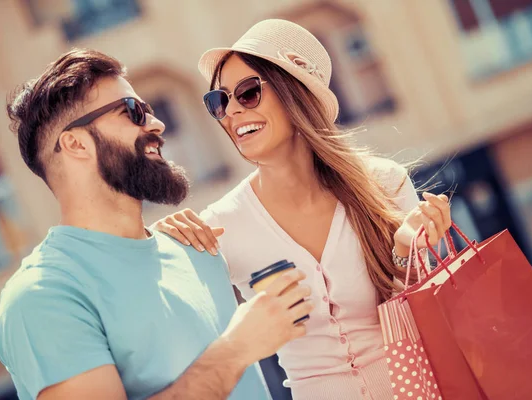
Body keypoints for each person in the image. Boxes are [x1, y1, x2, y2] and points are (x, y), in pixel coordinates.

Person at [154, 19, 452, 400]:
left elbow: (425, 315)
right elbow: (180, 332)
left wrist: (405, 252)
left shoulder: (384, 184)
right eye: (219, 101)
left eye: (246, 93)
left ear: (292, 93)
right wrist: (163, 241)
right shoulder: (220, 226)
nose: (230, 112)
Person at [0, 48, 313, 400]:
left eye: (146, 110)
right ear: (75, 144)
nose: (157, 124)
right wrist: (236, 350)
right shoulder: (42, 297)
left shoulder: (194, 249)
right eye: (132, 112)